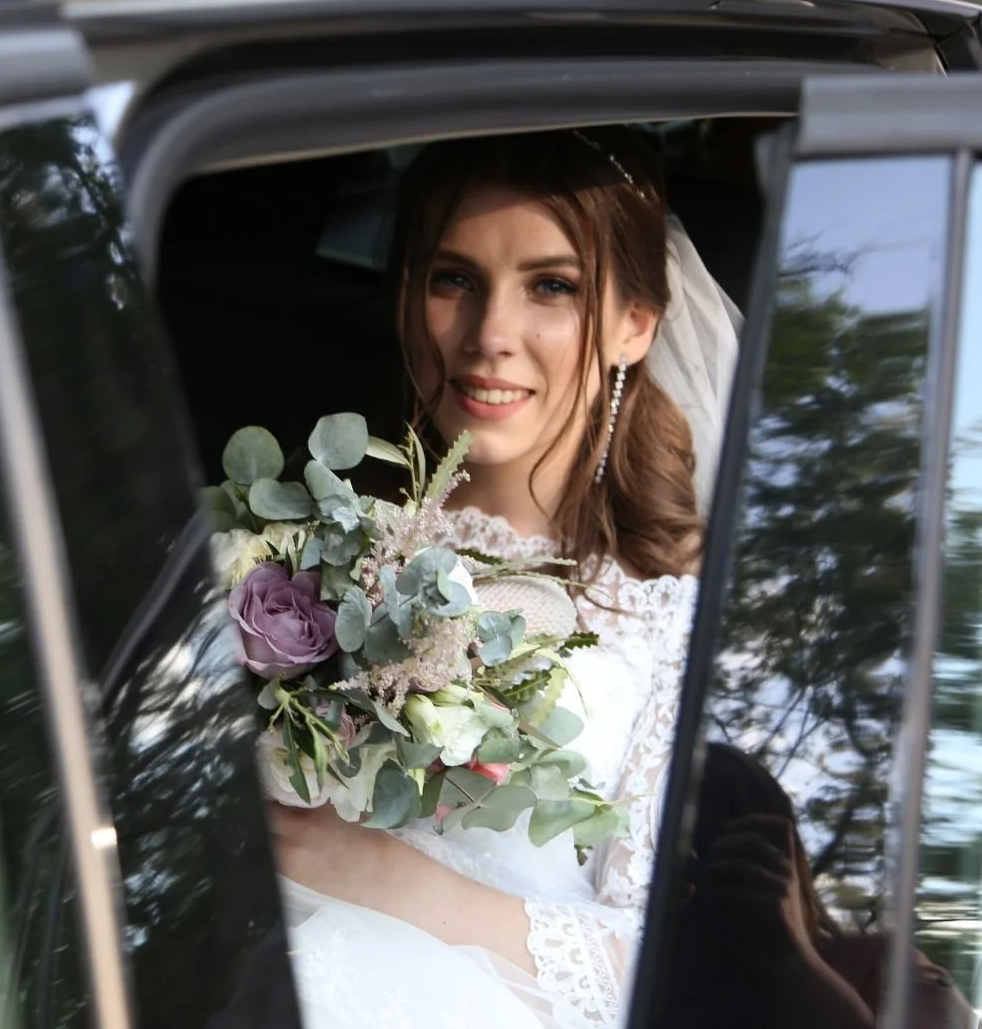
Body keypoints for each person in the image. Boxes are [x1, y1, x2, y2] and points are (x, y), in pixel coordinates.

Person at [263, 128, 742, 1029]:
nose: (490, 336)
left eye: (551, 287)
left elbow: (668, 966)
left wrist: (378, 874)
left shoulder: (682, 615)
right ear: (408, 295)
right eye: (455, 279)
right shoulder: (304, 531)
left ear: (635, 325)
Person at [665, 742, 977, 1028]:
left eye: (721, 855)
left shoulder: (882, 970)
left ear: (778, 859)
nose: (696, 885)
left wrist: (790, 957)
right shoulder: (654, 978)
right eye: (667, 868)